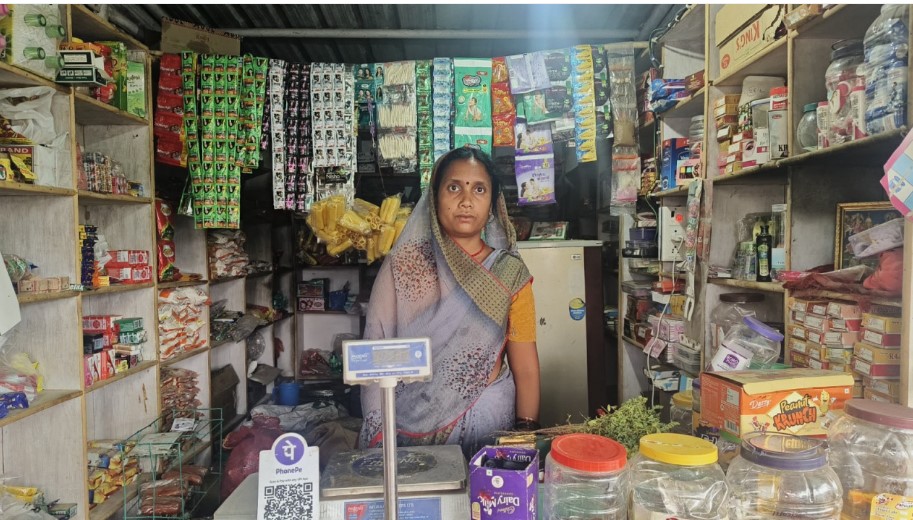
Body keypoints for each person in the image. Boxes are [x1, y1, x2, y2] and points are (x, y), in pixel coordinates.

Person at [358, 147, 541, 458]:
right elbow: (376, 350)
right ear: (434, 197)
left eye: (479, 189)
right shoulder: (404, 267)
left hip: (485, 422)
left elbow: (525, 367)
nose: (466, 200)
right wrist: (379, 433)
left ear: (492, 204)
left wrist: (525, 437)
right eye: (454, 187)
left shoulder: (509, 274)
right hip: (405, 427)